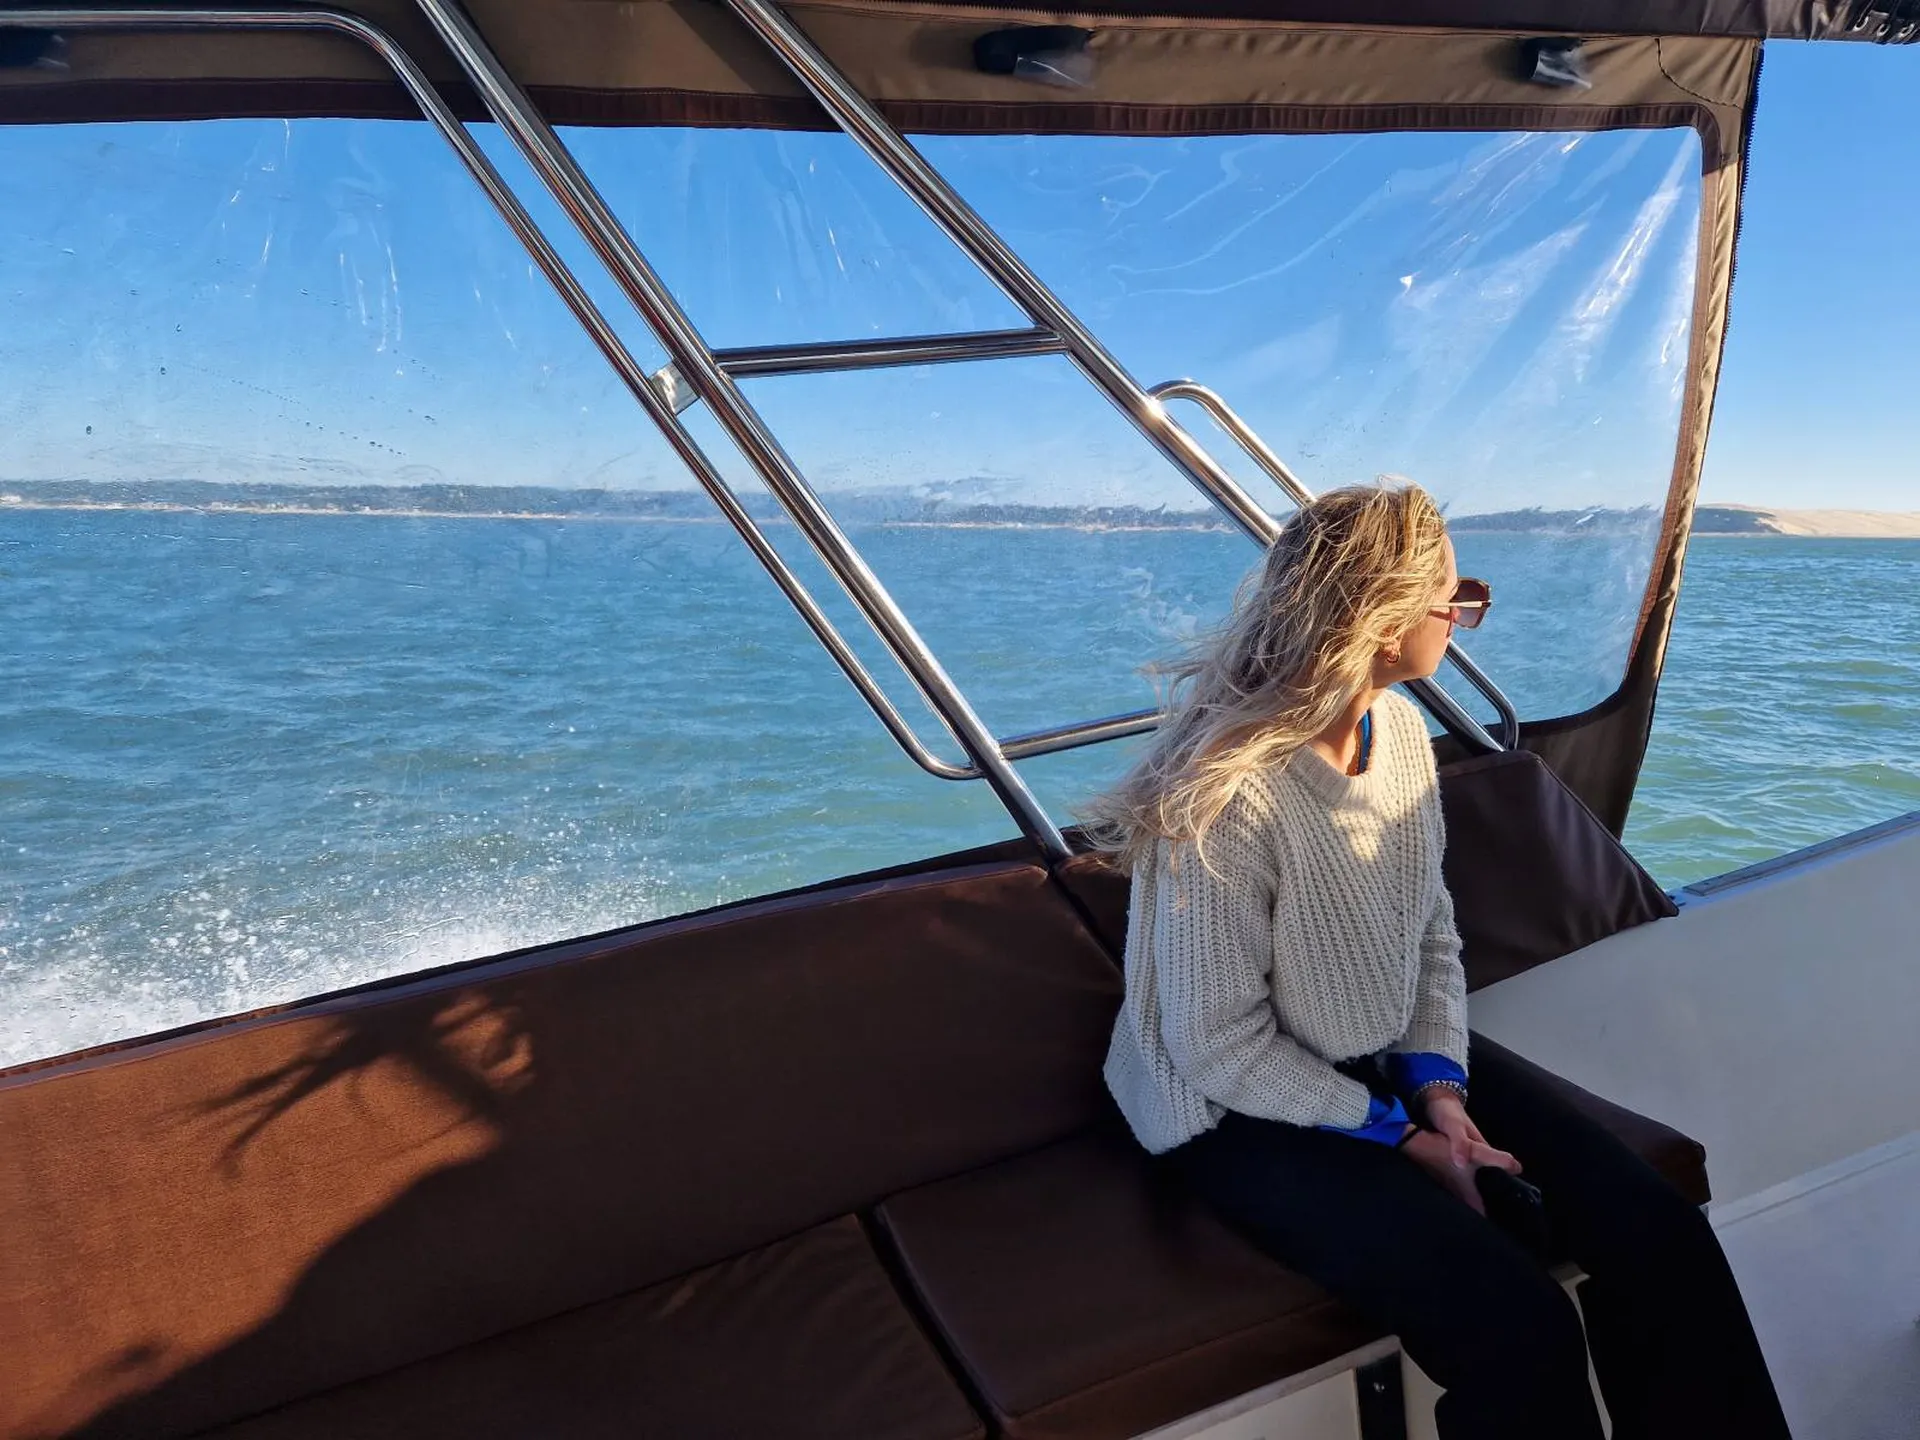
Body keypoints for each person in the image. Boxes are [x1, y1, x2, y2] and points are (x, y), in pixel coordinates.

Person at [1082, 482, 1790, 1439]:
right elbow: (1216, 1048)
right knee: (1520, 1329)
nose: (1463, 619)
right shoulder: (1232, 792)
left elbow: (1431, 938)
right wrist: (1402, 1137)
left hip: (1377, 1055)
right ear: (1379, 621)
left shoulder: (1405, 735)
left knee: (1657, 1230)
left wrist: (1442, 1096)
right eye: (1453, 599)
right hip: (1227, 1107)